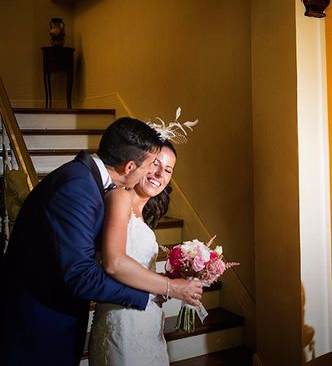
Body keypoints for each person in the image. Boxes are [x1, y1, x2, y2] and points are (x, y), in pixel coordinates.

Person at [0, 117, 201, 366]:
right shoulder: (79, 187)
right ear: (130, 167)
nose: (153, 173)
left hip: (55, 319)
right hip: (37, 325)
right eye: (150, 165)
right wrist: (155, 292)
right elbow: (82, 274)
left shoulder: (84, 181)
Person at [89, 140, 194, 365]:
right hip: (122, 322)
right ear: (140, 163)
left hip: (148, 321)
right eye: (155, 164)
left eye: (167, 170)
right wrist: (171, 287)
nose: (159, 174)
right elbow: (114, 262)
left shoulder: (143, 214)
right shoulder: (119, 197)